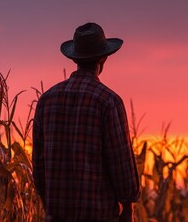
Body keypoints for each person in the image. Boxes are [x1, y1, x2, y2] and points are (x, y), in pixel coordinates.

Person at [32, 22, 140, 222]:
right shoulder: (108, 101)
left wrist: (48, 205)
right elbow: (120, 162)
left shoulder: (46, 100)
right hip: (99, 215)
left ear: (74, 58)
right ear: (104, 58)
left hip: (57, 215)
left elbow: (38, 165)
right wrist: (127, 205)